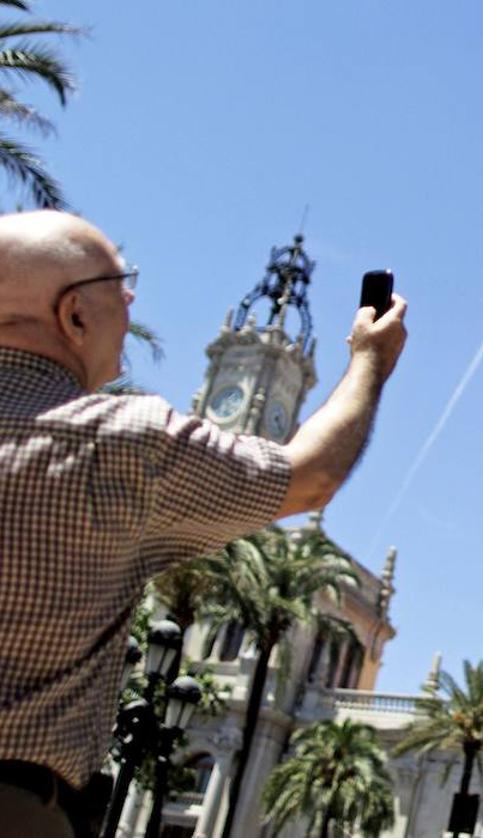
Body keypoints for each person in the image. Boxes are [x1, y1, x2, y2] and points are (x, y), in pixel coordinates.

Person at [0, 210, 409, 836]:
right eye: (119, 284)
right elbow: (309, 475)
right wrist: (369, 361)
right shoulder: (123, 446)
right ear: (74, 315)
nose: (132, 297)